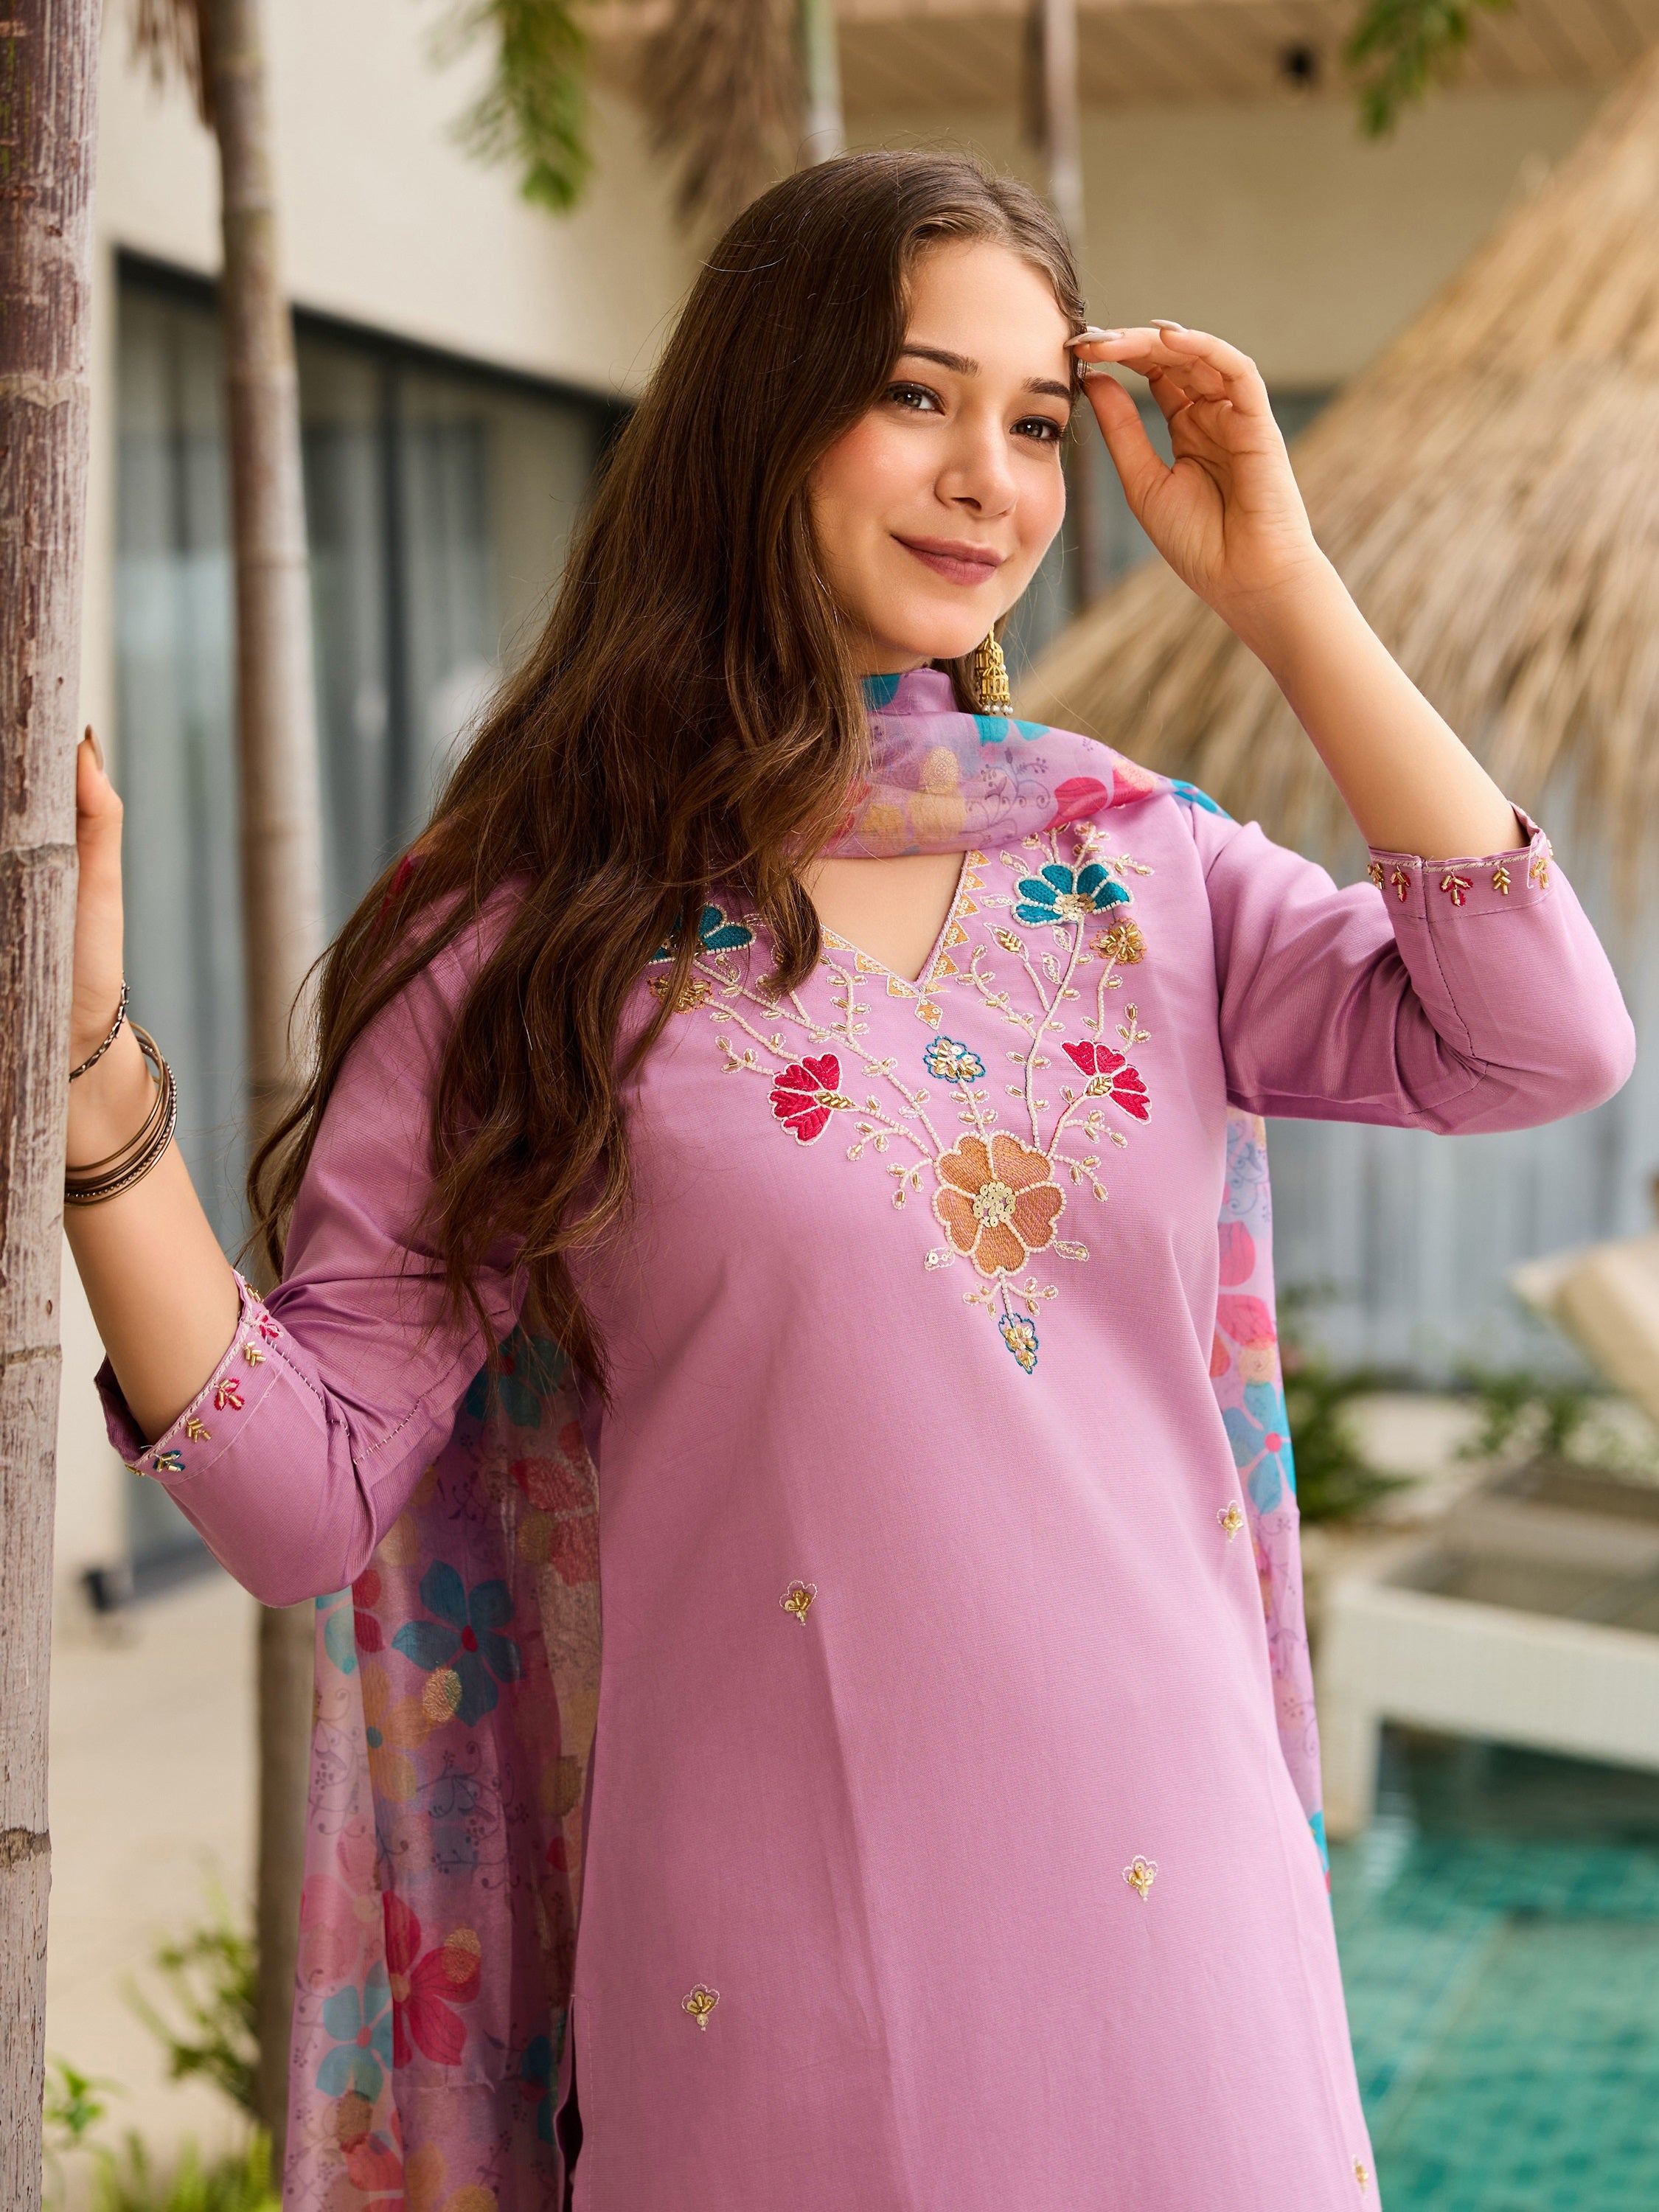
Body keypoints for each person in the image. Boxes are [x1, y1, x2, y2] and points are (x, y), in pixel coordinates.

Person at [65, 152, 1633, 2211]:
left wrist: (1276, 586)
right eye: (914, 396)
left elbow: (1539, 1038)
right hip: (772, 1984)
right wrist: (86, 1080)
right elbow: (297, 1496)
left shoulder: (1137, 867)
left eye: (1037, 424)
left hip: (1190, 1941)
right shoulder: (526, 937)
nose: (988, 478)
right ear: (758, 415)